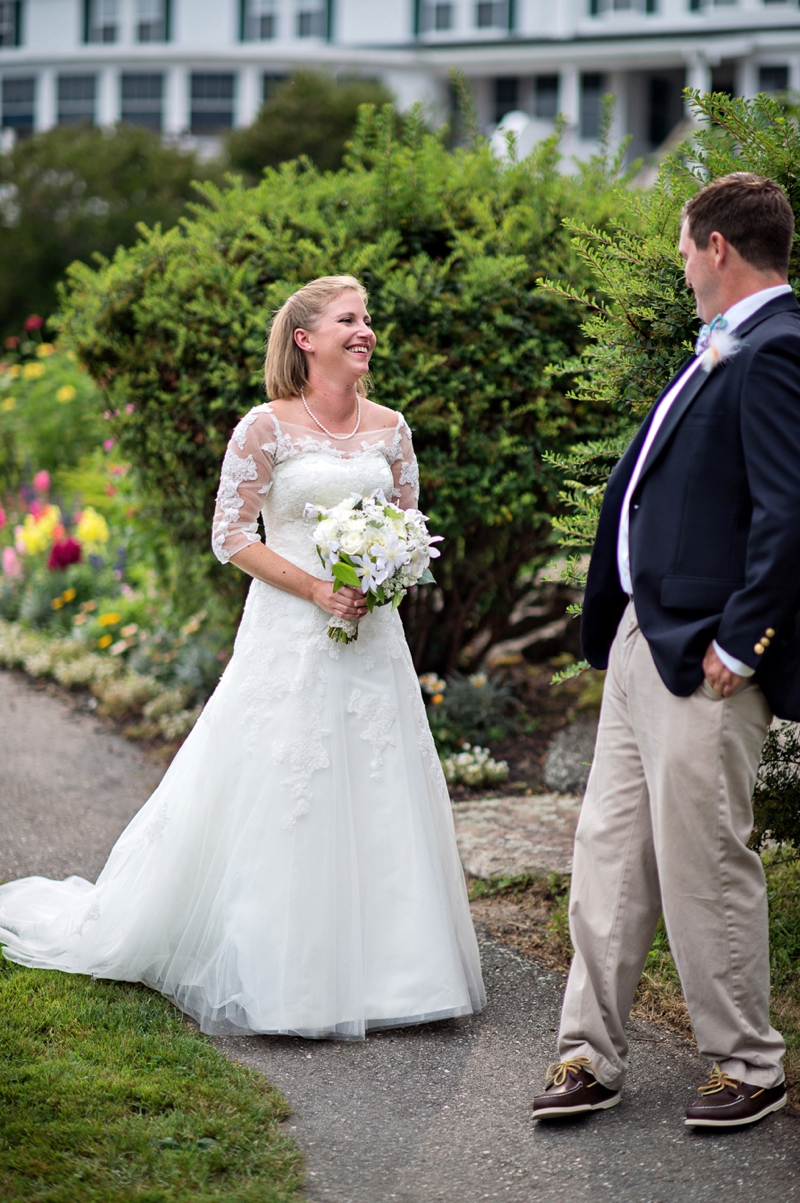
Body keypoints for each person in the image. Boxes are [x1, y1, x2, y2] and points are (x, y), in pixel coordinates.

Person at [0, 275, 486, 1039]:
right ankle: (285, 976)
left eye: (368, 319)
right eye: (349, 320)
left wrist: (386, 568)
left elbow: (408, 525)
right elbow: (232, 534)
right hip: (290, 633)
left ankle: (398, 975)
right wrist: (319, 588)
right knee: (286, 787)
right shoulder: (266, 426)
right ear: (305, 339)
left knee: (380, 780)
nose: (366, 331)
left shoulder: (391, 427)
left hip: (370, 640)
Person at [532, 173, 800, 1128]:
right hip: (645, 642)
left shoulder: (777, 348)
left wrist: (745, 639)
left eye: (688, 248)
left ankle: (750, 1066)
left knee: (703, 863)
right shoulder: (724, 347)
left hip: (710, 652)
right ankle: (588, 1053)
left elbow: (789, 512)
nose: (683, 266)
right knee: (608, 853)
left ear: (719, 247)